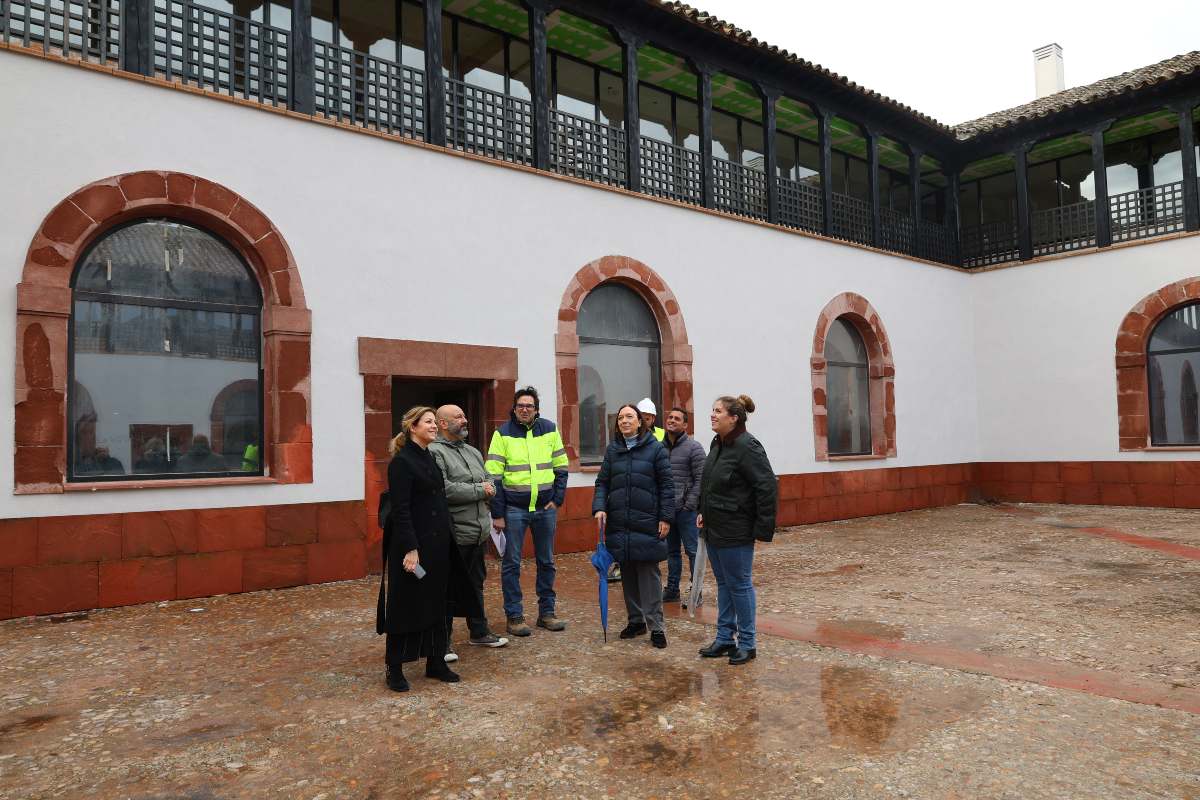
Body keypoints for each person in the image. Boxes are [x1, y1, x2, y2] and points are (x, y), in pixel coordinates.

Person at [377, 406, 483, 692]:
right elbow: (400, 510)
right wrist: (411, 549)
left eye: (436, 422)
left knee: (438, 602)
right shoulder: (401, 463)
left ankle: (435, 661)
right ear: (413, 427)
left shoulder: (429, 457)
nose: (435, 426)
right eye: (428, 422)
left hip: (438, 546)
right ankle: (394, 667)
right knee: (405, 604)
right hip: (414, 548)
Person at [696, 394, 777, 666]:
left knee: (740, 585)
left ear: (734, 418)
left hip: (736, 529)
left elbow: (766, 487)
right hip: (714, 526)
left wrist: (762, 529)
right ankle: (723, 639)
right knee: (724, 584)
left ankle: (748, 643)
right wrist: (701, 512)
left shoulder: (748, 446)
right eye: (713, 410)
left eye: (718, 411)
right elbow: (709, 482)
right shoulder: (717, 443)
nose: (712, 414)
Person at [485, 387, 570, 637]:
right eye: (520, 405)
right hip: (514, 509)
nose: (524, 409)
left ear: (536, 409)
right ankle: (514, 616)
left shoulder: (550, 429)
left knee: (547, 561)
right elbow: (494, 477)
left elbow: (561, 467)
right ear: (514, 408)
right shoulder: (502, 434)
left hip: (546, 509)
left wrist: (557, 499)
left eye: (529, 406)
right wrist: (497, 514)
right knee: (511, 563)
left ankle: (547, 613)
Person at [428, 404, 509, 661]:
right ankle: (442, 643)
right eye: (458, 417)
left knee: (475, 585)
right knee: (446, 588)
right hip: (454, 534)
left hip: (478, 532)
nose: (465, 420)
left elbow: (491, 482)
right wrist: (479, 490)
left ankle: (479, 631)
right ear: (442, 423)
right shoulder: (433, 452)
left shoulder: (472, 451)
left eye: (464, 416)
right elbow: (444, 489)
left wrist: (485, 488)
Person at [592, 404, 675, 649]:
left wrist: (666, 517)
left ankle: (656, 627)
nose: (625, 421)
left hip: (648, 521)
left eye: (630, 417)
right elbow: (602, 483)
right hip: (620, 522)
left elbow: (667, 487)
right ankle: (636, 620)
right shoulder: (613, 451)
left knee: (648, 575)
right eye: (620, 418)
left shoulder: (655, 450)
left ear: (640, 422)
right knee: (627, 574)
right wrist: (599, 507)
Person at [661, 407, 705, 605]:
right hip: (668, 510)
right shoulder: (658, 448)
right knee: (671, 552)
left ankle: (696, 592)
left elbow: (702, 478)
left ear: (685, 425)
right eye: (669, 417)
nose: (671, 420)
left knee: (692, 551)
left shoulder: (694, 448)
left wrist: (690, 504)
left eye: (677, 418)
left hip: (687, 511)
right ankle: (672, 589)